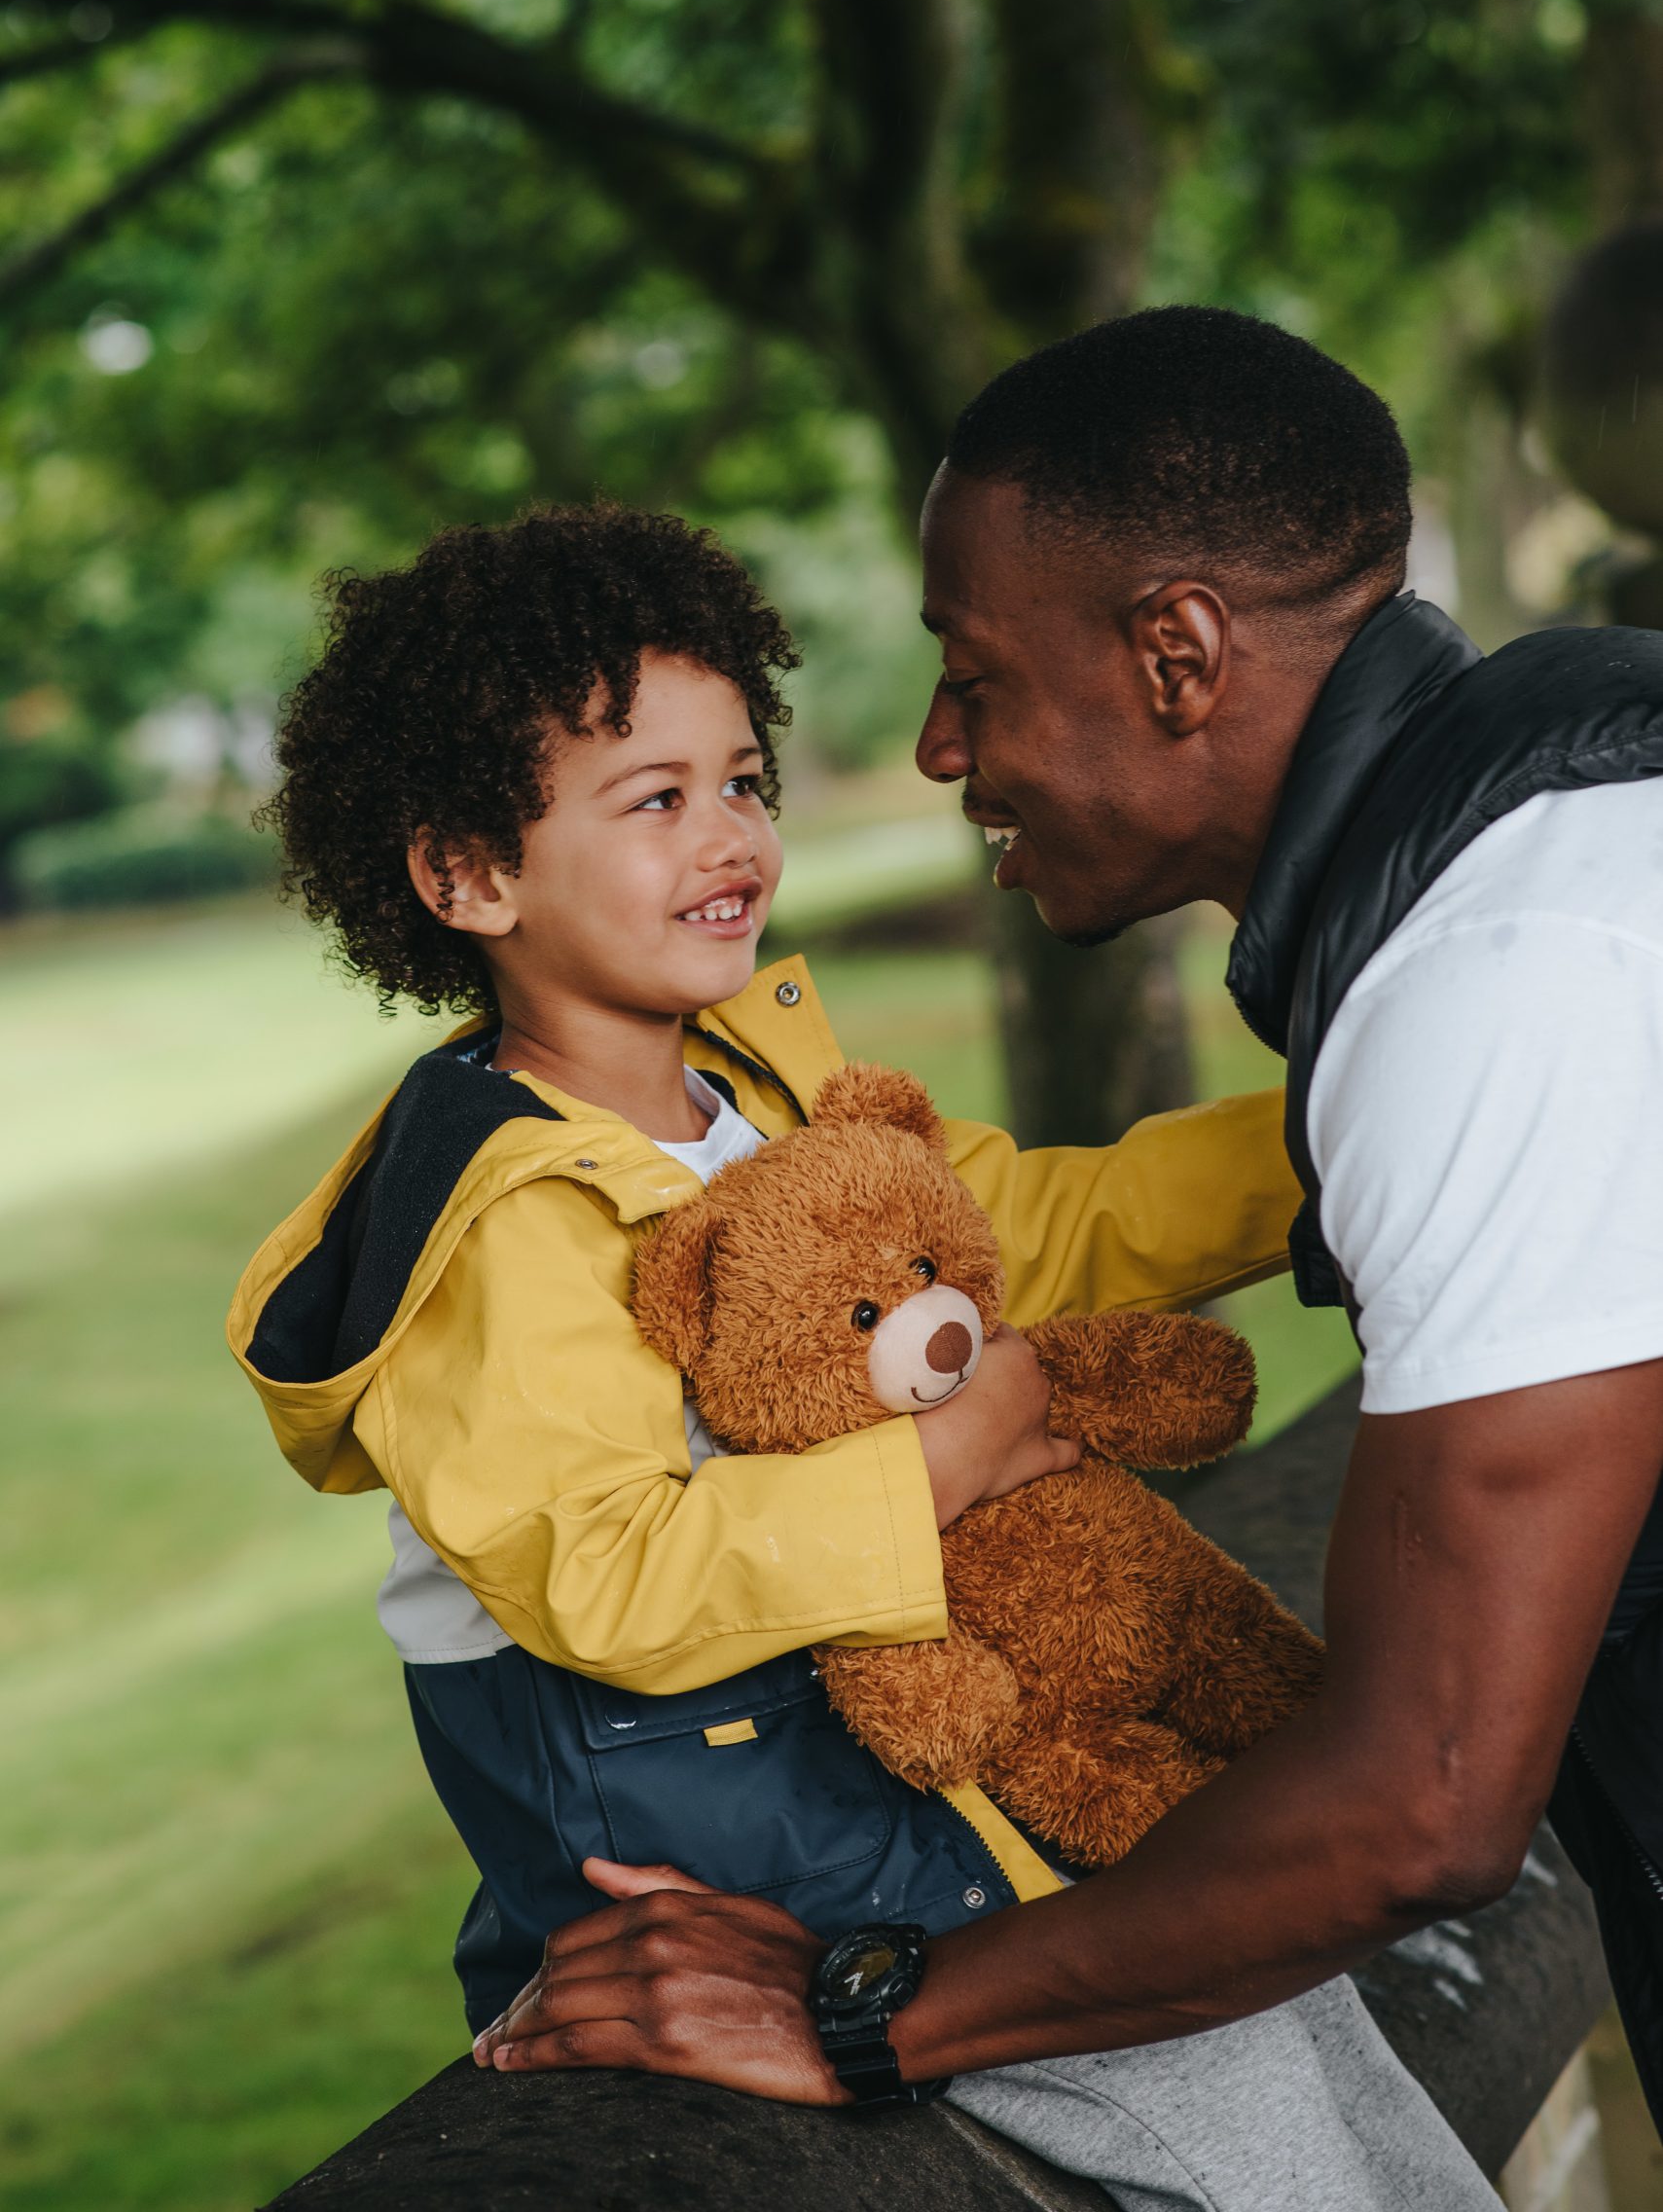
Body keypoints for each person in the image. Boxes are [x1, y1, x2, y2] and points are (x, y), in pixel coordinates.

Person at [470, 309, 1663, 2179]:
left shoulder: (1500, 978)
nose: (942, 744)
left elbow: (1421, 1805)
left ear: (1175, 654)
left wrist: (866, 2010)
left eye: (973, 671)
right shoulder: (1561, 842)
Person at [228, 504, 1493, 2205]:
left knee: (1291, 1990)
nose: (728, 833)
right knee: (1217, 2071)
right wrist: (958, 1453)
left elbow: (1046, 1223)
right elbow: (603, 1576)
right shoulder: (493, 1221)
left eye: (742, 779)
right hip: (729, 1839)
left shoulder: (754, 1100)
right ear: (466, 874)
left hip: (902, 1756)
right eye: (653, 799)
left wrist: (1360, 1116)